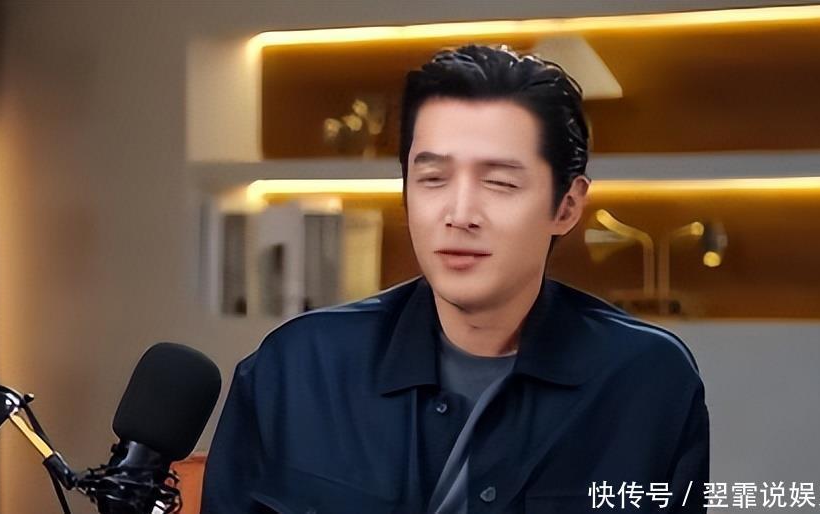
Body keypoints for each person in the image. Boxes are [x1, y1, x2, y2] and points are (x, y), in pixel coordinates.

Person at [203, 45, 708, 514]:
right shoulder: (297, 369)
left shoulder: (645, 380)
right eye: (433, 179)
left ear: (567, 206)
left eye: (500, 182)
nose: (460, 214)